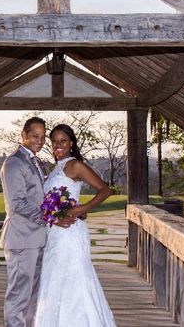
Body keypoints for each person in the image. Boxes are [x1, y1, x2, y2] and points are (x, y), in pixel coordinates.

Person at [34, 123, 116, 327]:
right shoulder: (56, 168)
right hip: (54, 232)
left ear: (71, 143)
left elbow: (105, 190)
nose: (58, 145)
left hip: (71, 233)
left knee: (74, 280)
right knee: (54, 280)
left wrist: (82, 209)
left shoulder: (75, 165)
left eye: (63, 141)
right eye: (54, 142)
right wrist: (52, 216)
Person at [0, 117, 74, 327]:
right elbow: (17, 203)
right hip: (22, 239)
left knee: (33, 295)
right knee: (18, 296)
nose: (39, 141)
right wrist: (51, 218)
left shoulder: (36, 161)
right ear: (23, 136)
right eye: (35, 136)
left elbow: (41, 197)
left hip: (38, 238)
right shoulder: (14, 162)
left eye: (42, 137)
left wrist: (64, 209)